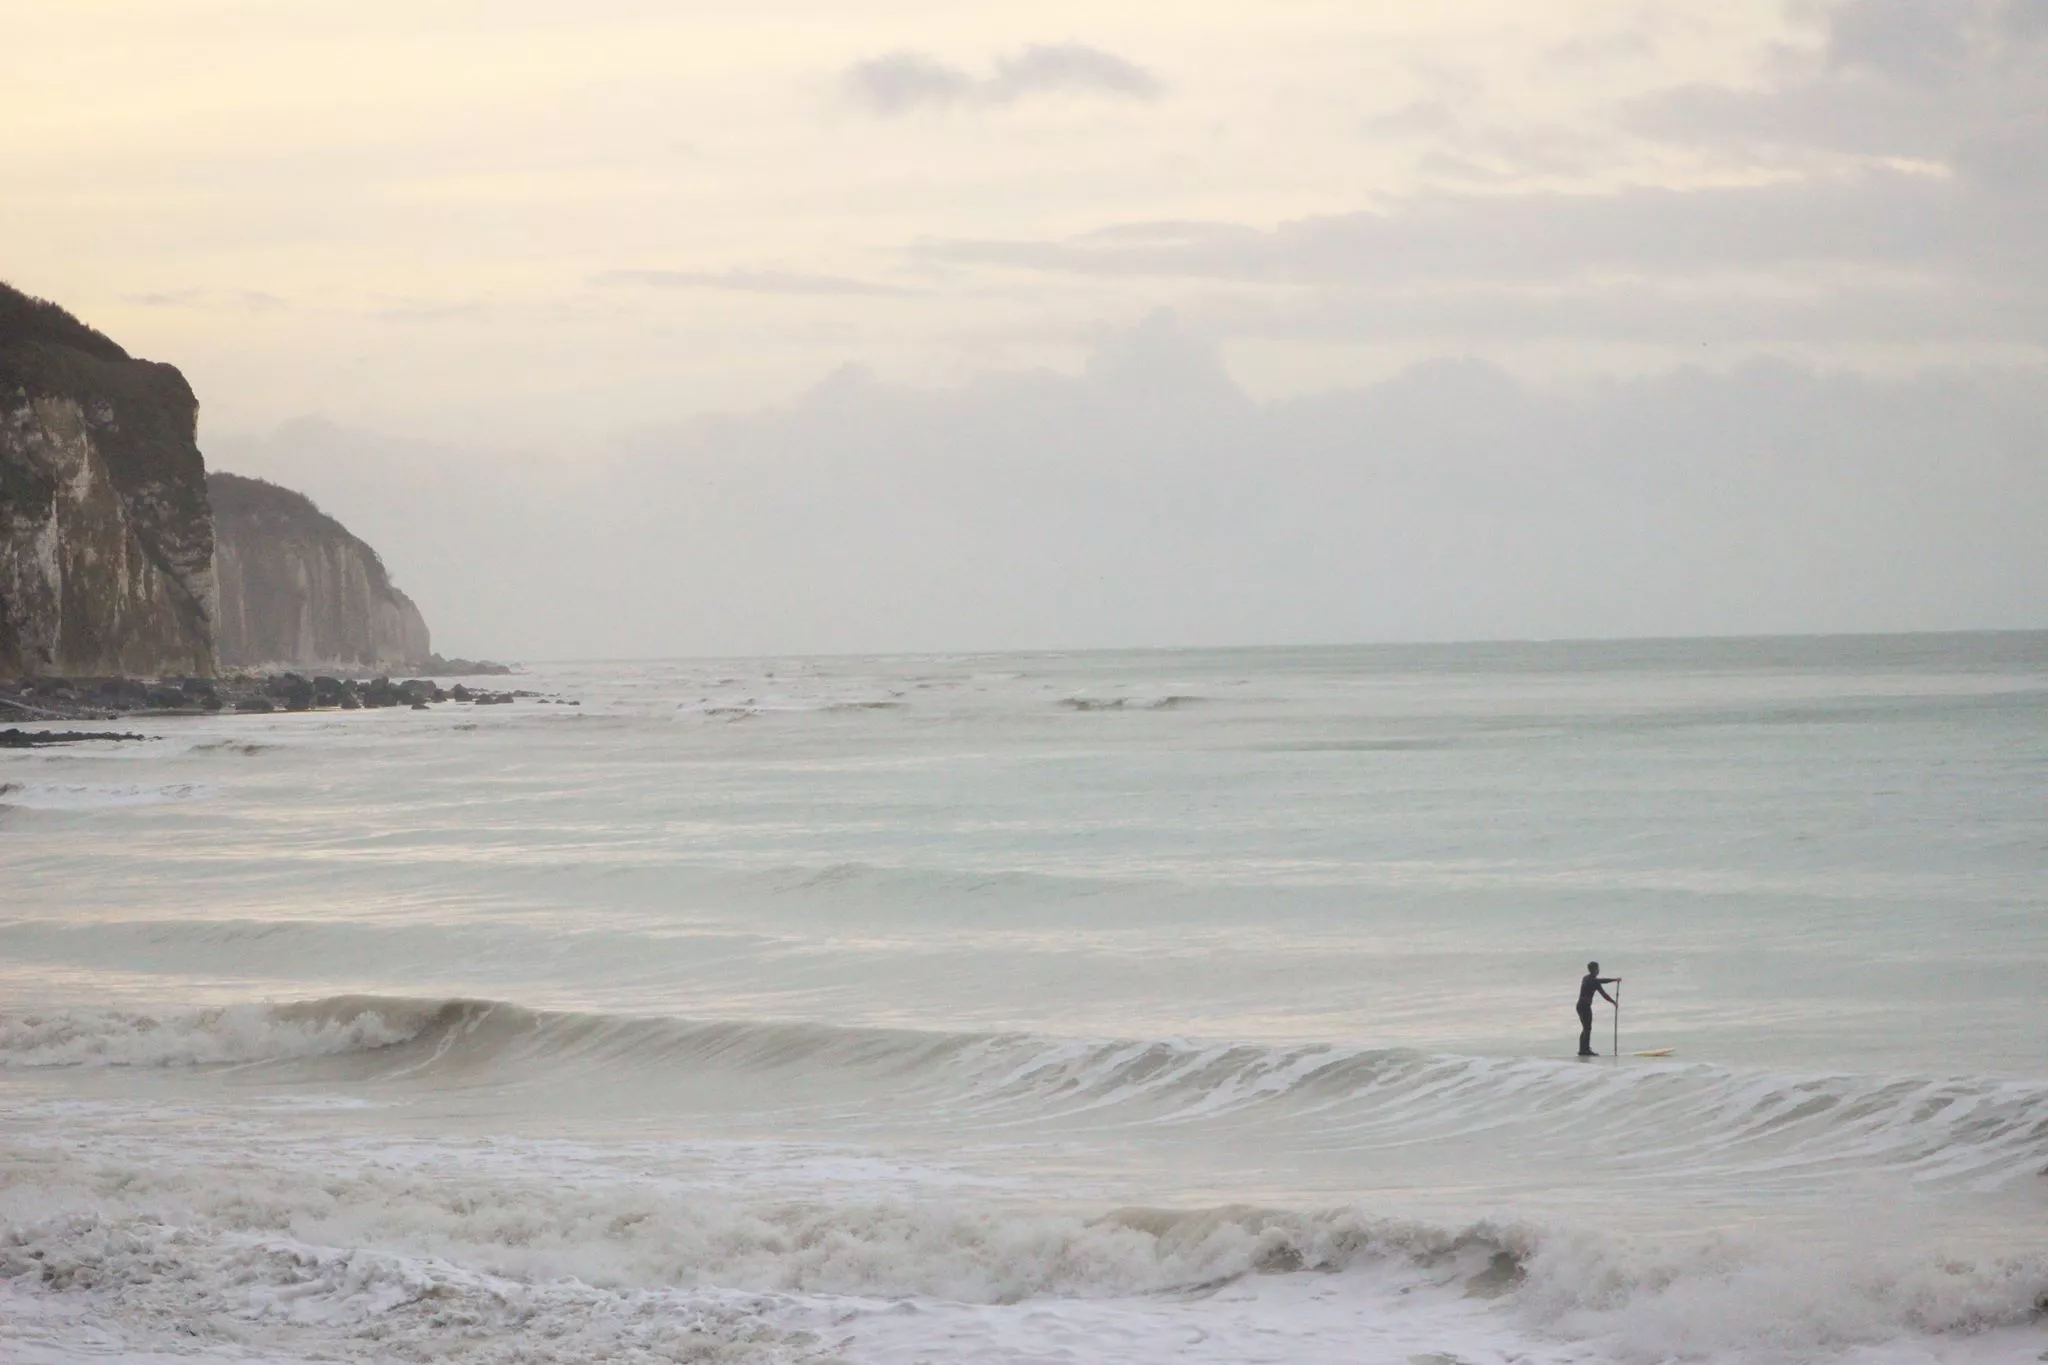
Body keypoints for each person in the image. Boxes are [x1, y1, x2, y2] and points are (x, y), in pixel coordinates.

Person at [1577, 961, 1619, 1056]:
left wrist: (1614, 980)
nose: (1598, 970)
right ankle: (1585, 1050)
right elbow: (1604, 994)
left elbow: (1601, 980)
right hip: (1585, 1006)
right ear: (1595, 970)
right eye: (1598, 968)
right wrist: (1614, 1002)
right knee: (1587, 1028)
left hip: (1580, 1006)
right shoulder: (1594, 981)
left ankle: (1583, 1049)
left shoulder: (1586, 978)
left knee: (1585, 1027)